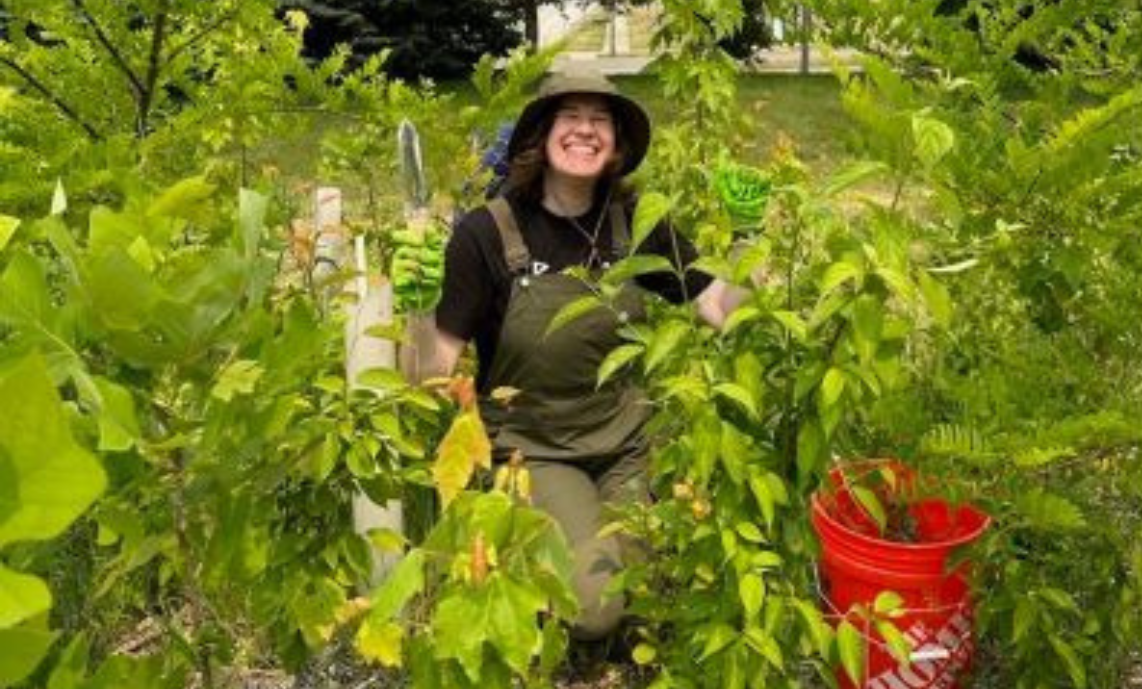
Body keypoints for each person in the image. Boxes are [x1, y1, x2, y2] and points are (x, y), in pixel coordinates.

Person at [415, 68, 743, 640]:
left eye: (601, 120)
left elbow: (716, 304)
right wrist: (418, 306)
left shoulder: (636, 226)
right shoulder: (487, 234)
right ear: (541, 134)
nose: (586, 130)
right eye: (571, 116)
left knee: (655, 593)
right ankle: (519, 554)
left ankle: (582, 557)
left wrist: (752, 240)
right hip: (533, 451)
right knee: (596, 611)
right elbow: (431, 373)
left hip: (628, 445)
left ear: (616, 143)